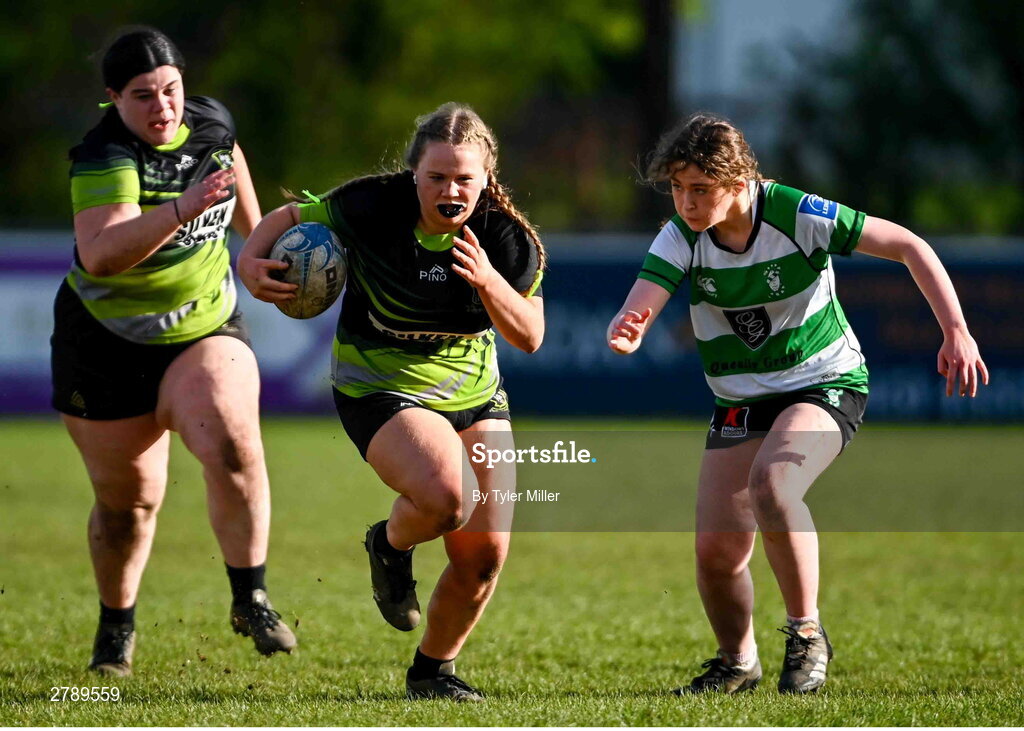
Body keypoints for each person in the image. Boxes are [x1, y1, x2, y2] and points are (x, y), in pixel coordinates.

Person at [607, 113, 988, 695]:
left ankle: (806, 632)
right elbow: (644, 297)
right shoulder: (681, 234)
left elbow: (909, 245)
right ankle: (737, 662)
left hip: (824, 382)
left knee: (773, 487)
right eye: (677, 188)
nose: (685, 201)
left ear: (739, 182)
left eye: (700, 189)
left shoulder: (797, 214)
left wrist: (956, 330)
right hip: (740, 397)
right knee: (716, 552)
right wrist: (630, 324)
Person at [239, 102, 545, 701]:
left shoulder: (507, 240)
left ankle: (433, 671)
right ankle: (391, 543)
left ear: (487, 180)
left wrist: (487, 281)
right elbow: (289, 214)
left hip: (476, 395)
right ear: (413, 176)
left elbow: (530, 335)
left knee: (483, 556)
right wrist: (251, 261)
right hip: (379, 387)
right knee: (447, 497)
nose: (450, 189)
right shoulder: (371, 205)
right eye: (436, 177)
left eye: (464, 178)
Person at [52, 28, 296, 677]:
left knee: (232, 440)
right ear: (113, 99)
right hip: (105, 342)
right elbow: (101, 253)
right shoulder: (104, 155)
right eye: (142, 96)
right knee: (128, 505)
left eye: (171, 90)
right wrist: (184, 210)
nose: (162, 107)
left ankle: (251, 597)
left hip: (202, 327)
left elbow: (230, 154)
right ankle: (116, 627)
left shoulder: (209, 121)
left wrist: (256, 241)